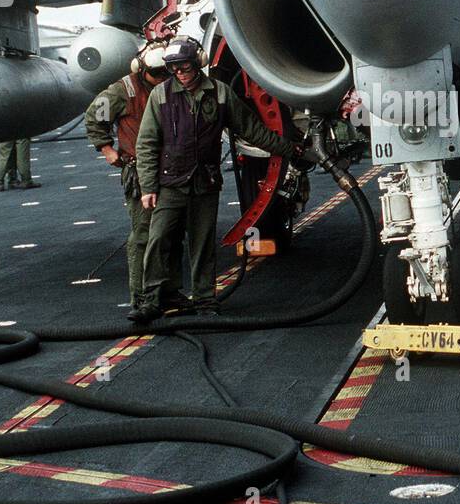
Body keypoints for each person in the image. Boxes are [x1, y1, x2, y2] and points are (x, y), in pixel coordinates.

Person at [130, 36, 303, 323]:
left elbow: (251, 130)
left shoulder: (220, 93)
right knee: (159, 239)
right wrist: (148, 186)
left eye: (185, 67)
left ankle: (204, 299)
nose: (181, 74)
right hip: (170, 183)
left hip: (204, 184)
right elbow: (146, 144)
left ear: (197, 64)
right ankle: (153, 299)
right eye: (175, 69)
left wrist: (289, 148)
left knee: (202, 243)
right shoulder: (161, 96)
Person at [84, 44, 180, 307]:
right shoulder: (123, 90)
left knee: (171, 233)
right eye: (157, 74)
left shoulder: (173, 84)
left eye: (166, 73)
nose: (162, 78)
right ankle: (140, 297)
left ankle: (170, 292)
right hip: (140, 172)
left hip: (173, 170)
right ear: (143, 69)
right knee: (143, 234)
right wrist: (106, 149)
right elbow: (95, 116)